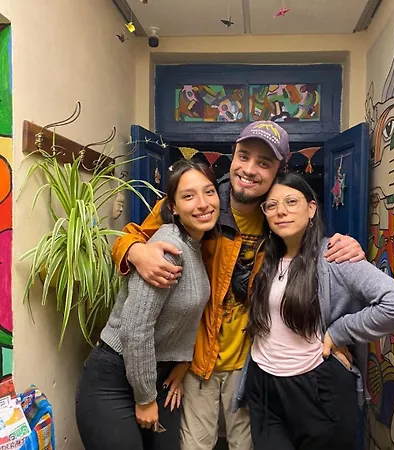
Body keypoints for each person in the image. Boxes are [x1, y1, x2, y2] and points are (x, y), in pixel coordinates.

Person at [111, 121, 366, 450]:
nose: (249, 170)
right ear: (232, 156)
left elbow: (313, 276)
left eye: (264, 163)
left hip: (252, 360)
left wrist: (346, 252)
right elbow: (129, 236)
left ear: (278, 170)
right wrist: (135, 251)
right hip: (198, 358)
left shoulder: (280, 215)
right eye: (244, 156)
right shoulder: (201, 201)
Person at [245, 172, 394, 450]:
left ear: (311, 208)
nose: (281, 211)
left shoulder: (334, 255)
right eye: (271, 205)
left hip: (317, 387)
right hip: (264, 385)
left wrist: (339, 332)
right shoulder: (265, 258)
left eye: (291, 201)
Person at [75, 160, 220, 450]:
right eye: (189, 196)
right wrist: (144, 398)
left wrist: (181, 363)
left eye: (209, 192)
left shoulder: (195, 244)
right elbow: (135, 329)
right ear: (173, 207)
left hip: (158, 376)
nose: (203, 203)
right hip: (115, 376)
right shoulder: (168, 248)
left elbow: (185, 315)